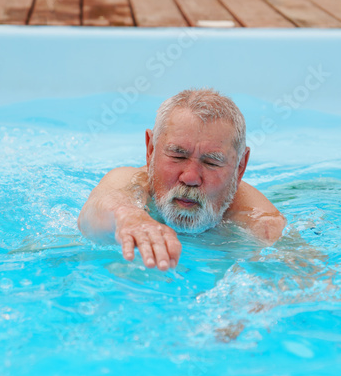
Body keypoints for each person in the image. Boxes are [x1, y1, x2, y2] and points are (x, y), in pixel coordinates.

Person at [77, 88, 287, 271]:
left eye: (211, 163)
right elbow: (94, 211)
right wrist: (129, 217)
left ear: (240, 166)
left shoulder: (260, 223)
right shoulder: (133, 184)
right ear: (150, 150)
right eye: (178, 156)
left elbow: (301, 273)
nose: (190, 178)